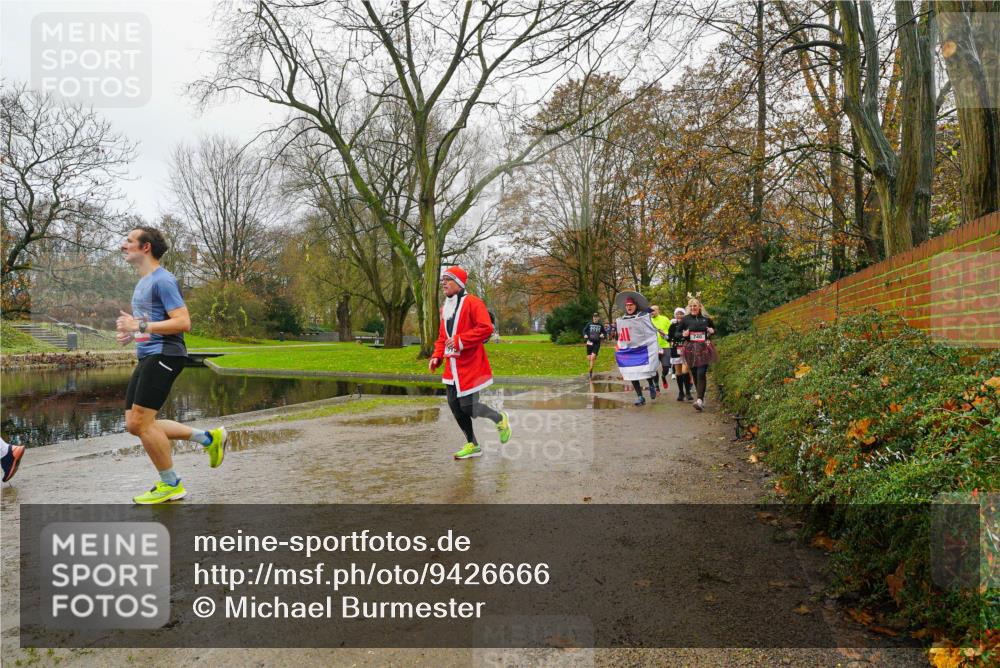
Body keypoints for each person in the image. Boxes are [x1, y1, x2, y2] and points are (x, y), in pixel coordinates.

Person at [117, 227, 228, 504]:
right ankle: (208, 438)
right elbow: (153, 323)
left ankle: (171, 484)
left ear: (146, 247)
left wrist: (139, 326)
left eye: (129, 241)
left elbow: (182, 322)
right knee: (134, 424)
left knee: (142, 423)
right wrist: (133, 333)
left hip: (166, 355)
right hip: (149, 354)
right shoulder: (142, 282)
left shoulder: (164, 280)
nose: (123, 245)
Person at [428, 266, 511, 460]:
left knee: (468, 407)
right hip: (452, 367)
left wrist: (460, 340)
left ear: (459, 283)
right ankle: (472, 444)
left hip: (470, 365)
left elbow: (486, 328)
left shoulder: (473, 302)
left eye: (448, 279)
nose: (443, 283)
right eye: (442, 280)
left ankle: (499, 419)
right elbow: (442, 337)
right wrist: (436, 356)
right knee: (454, 406)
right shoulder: (445, 308)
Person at [614, 292, 660, 406]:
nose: (629, 307)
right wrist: (619, 345)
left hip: (643, 348)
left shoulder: (643, 316)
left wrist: (649, 311)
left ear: (635, 306)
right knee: (631, 372)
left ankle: (651, 384)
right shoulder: (622, 319)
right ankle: (640, 396)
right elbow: (620, 334)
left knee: (646, 370)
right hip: (630, 350)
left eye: (631, 305)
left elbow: (650, 328)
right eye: (627, 305)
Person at [679, 296, 717, 412]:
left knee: (701, 373)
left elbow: (714, 330)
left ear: (699, 307)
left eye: (695, 306)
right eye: (690, 306)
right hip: (690, 350)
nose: (693, 308)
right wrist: (683, 334)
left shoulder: (706, 319)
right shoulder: (685, 319)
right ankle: (701, 397)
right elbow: (677, 333)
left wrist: (712, 331)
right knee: (695, 374)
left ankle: (699, 400)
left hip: (703, 348)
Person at [668, 307, 693, 401]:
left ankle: (688, 392)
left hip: (686, 349)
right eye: (677, 314)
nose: (679, 315)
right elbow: (670, 338)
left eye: (681, 314)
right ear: (675, 315)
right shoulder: (672, 326)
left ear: (684, 315)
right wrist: (665, 337)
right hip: (676, 350)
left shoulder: (688, 325)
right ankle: (681, 392)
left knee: (685, 370)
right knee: (678, 372)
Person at [649, 305, 671, 391]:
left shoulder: (664, 319)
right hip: (653, 347)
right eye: (650, 311)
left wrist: (665, 334)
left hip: (665, 346)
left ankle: (663, 376)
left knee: (666, 367)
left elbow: (671, 331)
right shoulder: (648, 320)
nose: (652, 312)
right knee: (654, 368)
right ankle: (656, 385)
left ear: (658, 311)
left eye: (654, 310)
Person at [582, 312, 606, 379]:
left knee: (592, 358)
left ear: (598, 318)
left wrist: (603, 335)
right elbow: (584, 330)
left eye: (596, 317)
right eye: (594, 317)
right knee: (589, 358)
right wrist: (585, 334)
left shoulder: (600, 325)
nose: (595, 318)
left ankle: (590, 373)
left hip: (596, 343)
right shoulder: (589, 324)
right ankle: (591, 367)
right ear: (593, 318)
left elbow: (604, 332)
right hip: (589, 342)